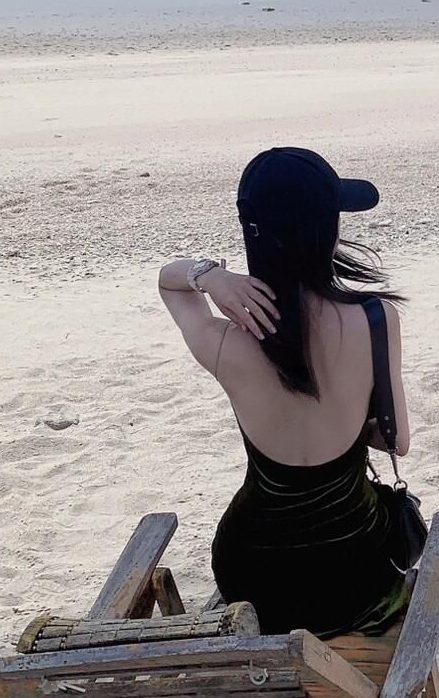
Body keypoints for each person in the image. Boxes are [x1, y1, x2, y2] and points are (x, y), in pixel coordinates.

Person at [158, 147, 410, 638]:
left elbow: (170, 284)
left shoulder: (222, 342)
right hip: (355, 574)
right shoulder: (376, 319)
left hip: (254, 580)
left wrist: (210, 276)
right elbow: (397, 442)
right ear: (326, 230)